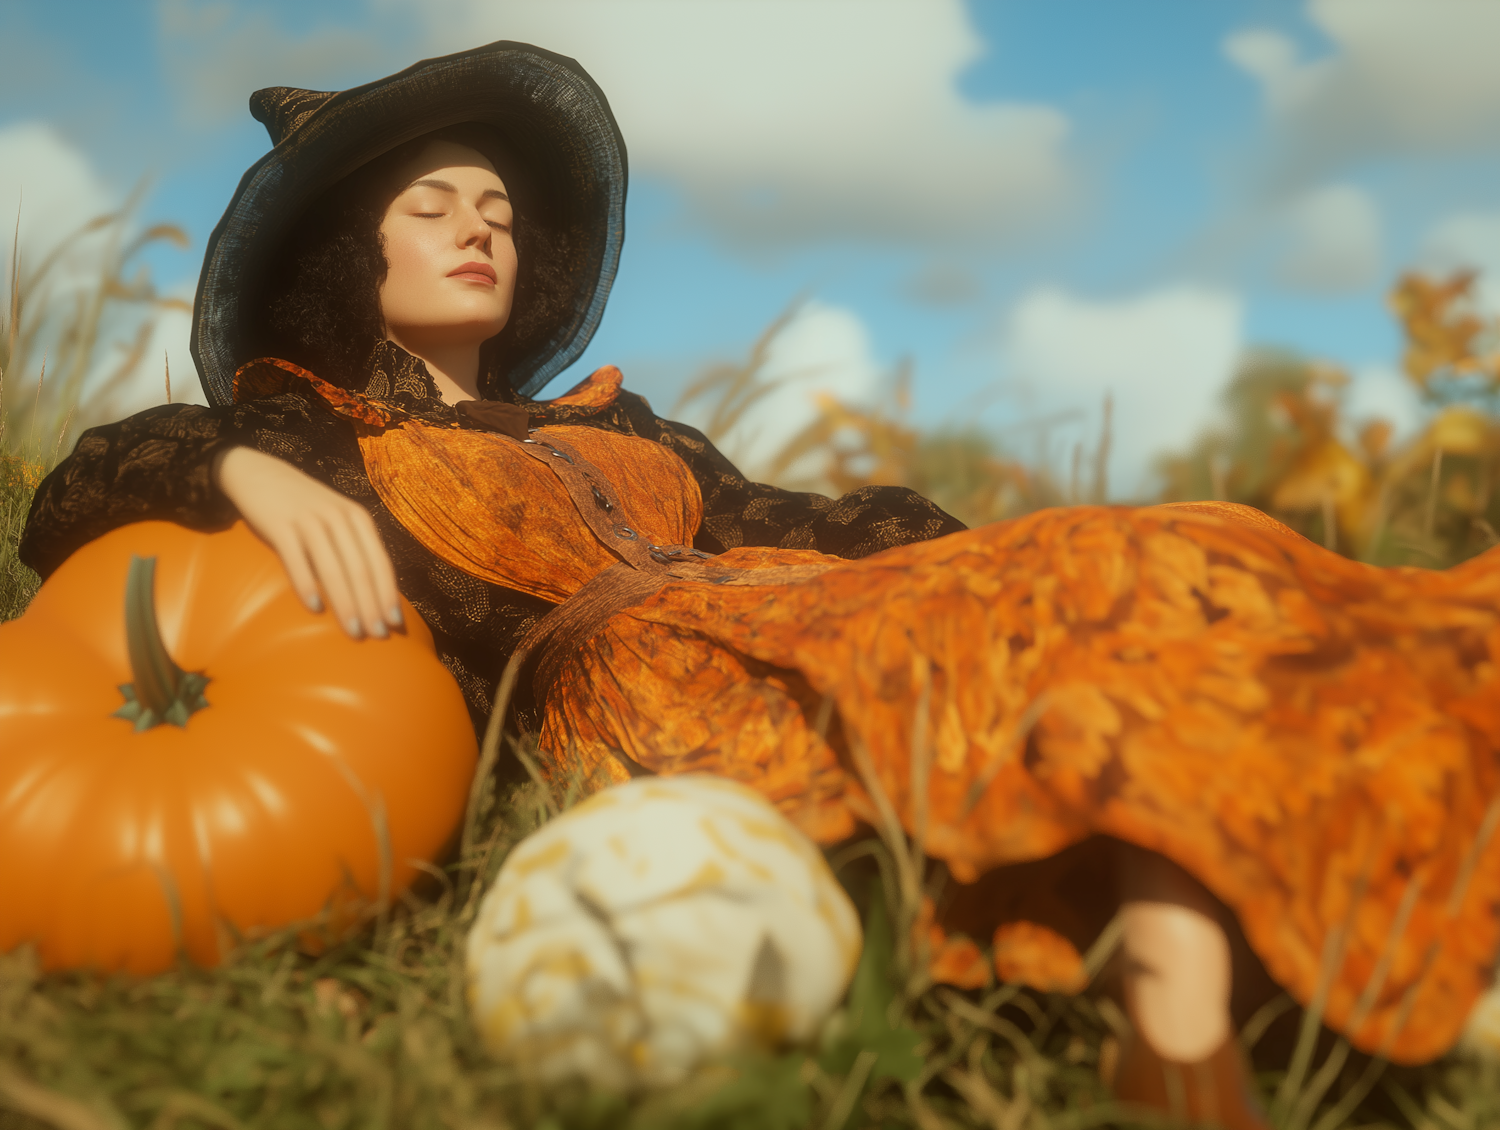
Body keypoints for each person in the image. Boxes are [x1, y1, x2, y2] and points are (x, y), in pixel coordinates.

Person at [19, 41, 1500, 1127]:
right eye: (432, 207)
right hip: (625, 684)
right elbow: (79, 485)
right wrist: (238, 471)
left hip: (774, 608)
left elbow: (785, 515)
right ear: (355, 251)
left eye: (498, 209)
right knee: (1104, 591)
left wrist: (978, 556)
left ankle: (1179, 1012)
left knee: (1172, 549)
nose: (482, 226)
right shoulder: (317, 427)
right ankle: (1203, 1018)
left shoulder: (616, 422)